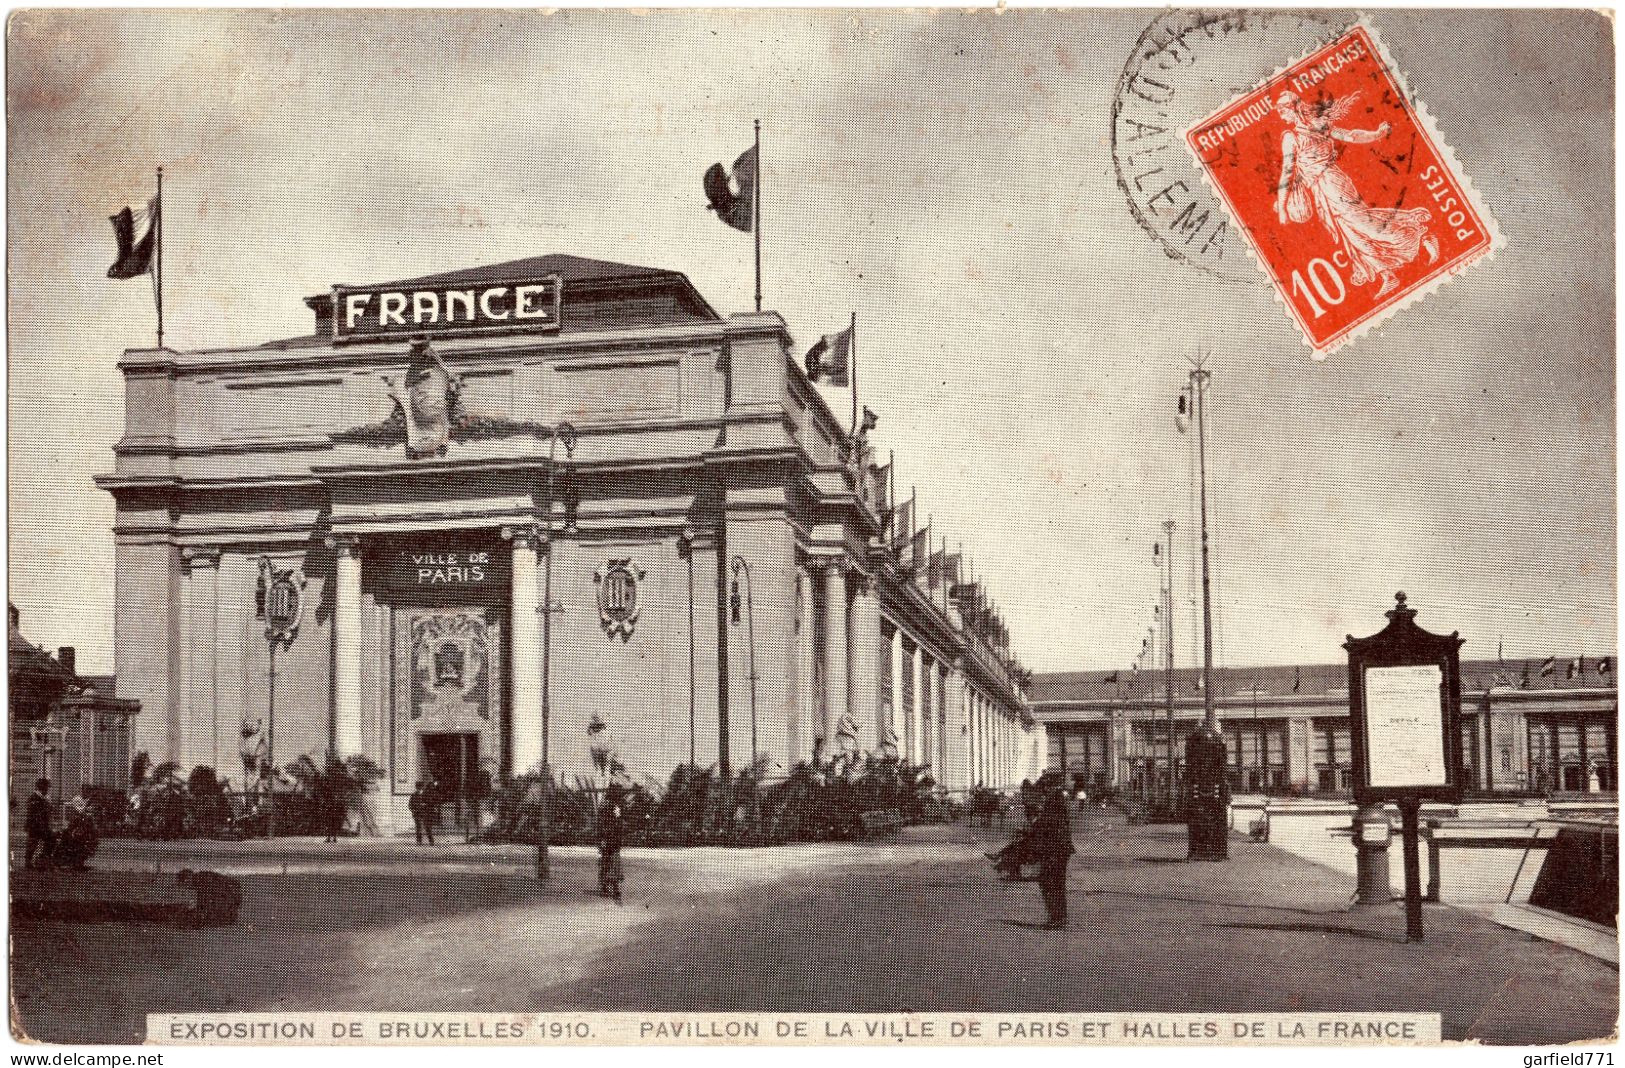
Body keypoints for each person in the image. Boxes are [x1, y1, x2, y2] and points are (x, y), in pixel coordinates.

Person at [1029, 772, 1076, 929]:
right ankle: (1059, 917)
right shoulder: (1058, 798)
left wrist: (1036, 822)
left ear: (1049, 786)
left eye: (1043, 788)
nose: (1042, 792)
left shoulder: (1054, 799)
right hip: (1060, 847)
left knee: (1049, 882)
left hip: (1056, 848)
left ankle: (1057, 918)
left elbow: (1051, 823)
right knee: (1056, 883)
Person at [597, 780, 626, 903]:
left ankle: (613, 887)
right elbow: (602, 824)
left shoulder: (616, 806)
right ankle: (606, 886)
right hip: (608, 839)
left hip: (614, 840)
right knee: (607, 863)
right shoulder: (606, 806)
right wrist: (602, 839)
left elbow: (618, 823)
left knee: (613, 864)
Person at [25, 777, 54, 869]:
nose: (47, 789)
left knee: (50, 839)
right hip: (35, 826)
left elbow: (49, 811)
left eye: (47, 787)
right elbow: (34, 814)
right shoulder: (34, 797)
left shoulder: (44, 798)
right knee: (33, 843)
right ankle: (29, 862)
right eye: (46, 787)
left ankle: (42, 859)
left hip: (42, 825)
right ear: (41, 787)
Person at [408, 781, 435, 846]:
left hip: (426, 813)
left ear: (422, 787)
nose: (419, 789)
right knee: (418, 827)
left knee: (427, 827)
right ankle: (419, 841)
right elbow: (410, 805)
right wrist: (414, 810)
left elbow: (431, 803)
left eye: (420, 787)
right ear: (416, 787)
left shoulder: (426, 795)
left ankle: (431, 841)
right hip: (417, 813)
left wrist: (425, 805)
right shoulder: (413, 795)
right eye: (418, 787)